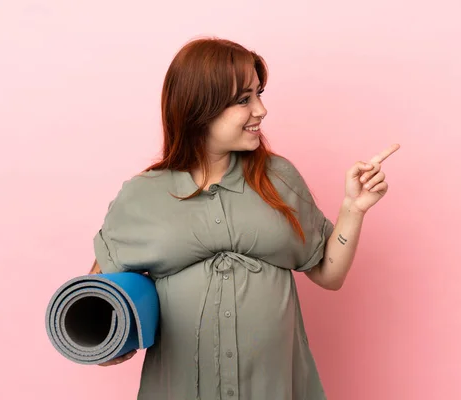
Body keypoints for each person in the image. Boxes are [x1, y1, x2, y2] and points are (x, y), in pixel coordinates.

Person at [89, 37, 399, 399]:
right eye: (244, 100)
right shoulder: (142, 195)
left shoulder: (278, 178)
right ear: (199, 108)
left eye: (259, 94)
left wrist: (353, 208)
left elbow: (329, 274)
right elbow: (99, 298)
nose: (261, 110)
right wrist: (108, 343)